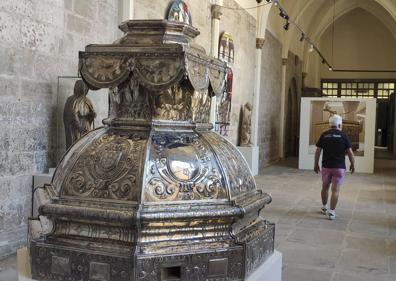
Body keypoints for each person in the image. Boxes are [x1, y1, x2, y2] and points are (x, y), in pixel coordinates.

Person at [314, 114, 355, 220]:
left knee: (325, 187)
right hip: (339, 168)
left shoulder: (324, 135)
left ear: (330, 124)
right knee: (335, 190)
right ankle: (332, 212)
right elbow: (350, 153)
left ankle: (324, 207)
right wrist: (352, 164)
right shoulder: (343, 136)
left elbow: (318, 151)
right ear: (340, 124)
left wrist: (315, 164)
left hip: (326, 166)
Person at [63, 80, 96, 149]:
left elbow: (91, 114)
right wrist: (79, 126)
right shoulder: (72, 99)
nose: (85, 90)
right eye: (83, 88)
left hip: (85, 126)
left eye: (86, 88)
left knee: (85, 146)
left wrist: (91, 115)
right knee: (76, 145)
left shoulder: (87, 100)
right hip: (76, 127)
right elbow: (72, 115)